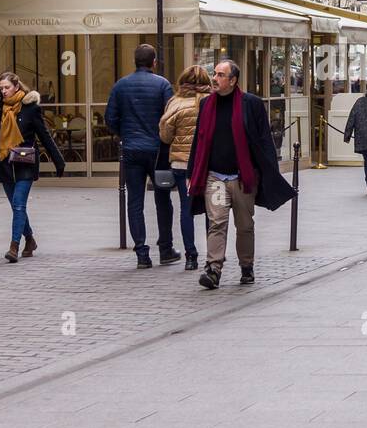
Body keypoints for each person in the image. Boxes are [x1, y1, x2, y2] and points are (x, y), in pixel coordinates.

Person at [187, 60, 294, 290]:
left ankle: (247, 266)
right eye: (214, 73)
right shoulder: (206, 105)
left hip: (243, 178)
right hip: (215, 177)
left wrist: (268, 173)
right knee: (216, 222)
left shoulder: (251, 104)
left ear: (233, 80)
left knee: (244, 225)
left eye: (220, 75)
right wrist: (191, 172)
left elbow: (264, 140)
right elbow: (199, 141)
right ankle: (213, 269)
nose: (214, 78)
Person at [104, 43, 175, 269]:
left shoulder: (120, 86)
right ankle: (165, 248)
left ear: (135, 61)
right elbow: (170, 117)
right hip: (157, 151)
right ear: (154, 62)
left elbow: (110, 118)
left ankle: (142, 253)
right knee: (163, 198)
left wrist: (123, 133)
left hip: (132, 150)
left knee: (135, 201)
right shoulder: (162, 84)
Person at [0, 72, 66, 262]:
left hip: (24, 163)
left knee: (18, 204)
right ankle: (29, 239)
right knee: (16, 207)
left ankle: (14, 246)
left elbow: (44, 135)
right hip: (5, 164)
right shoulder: (0, 108)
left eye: (7, 87)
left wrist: (58, 160)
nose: (4, 91)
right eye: (1, 88)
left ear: (16, 86)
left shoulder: (30, 108)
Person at [158, 65, 212, 270]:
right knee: (211, 211)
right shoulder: (212, 102)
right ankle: (212, 256)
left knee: (186, 209)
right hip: (208, 164)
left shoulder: (175, 103)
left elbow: (165, 135)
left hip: (182, 165)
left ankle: (191, 256)